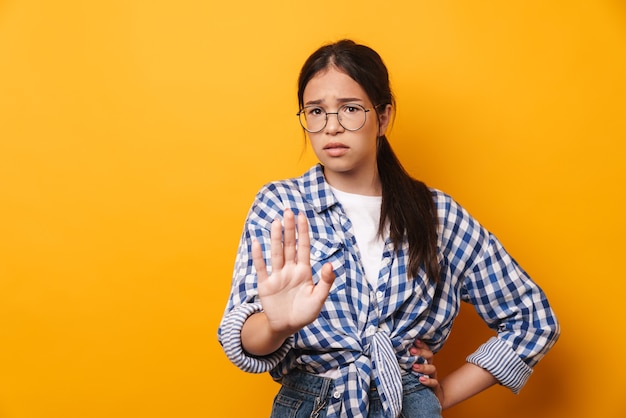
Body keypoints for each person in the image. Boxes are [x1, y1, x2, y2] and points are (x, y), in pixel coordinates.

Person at [218, 39, 559, 418]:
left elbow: (533, 320)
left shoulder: (436, 214)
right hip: (311, 404)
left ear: (383, 117)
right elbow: (242, 339)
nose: (331, 127)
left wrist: (439, 394)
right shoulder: (280, 205)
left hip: (407, 404)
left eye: (350, 109)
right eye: (316, 111)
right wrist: (276, 325)